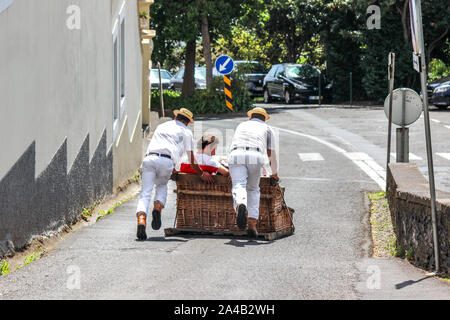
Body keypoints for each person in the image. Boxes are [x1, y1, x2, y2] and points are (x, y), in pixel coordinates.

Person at [136, 108, 214, 240]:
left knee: (145, 192)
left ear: (176, 117)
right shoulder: (186, 132)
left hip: (150, 158)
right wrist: (201, 173)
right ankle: (157, 208)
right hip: (167, 162)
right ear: (188, 122)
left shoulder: (162, 126)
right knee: (161, 186)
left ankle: (141, 220)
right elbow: (191, 158)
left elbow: (159, 144)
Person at [228, 107, 279, 238]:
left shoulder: (241, 125)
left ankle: (240, 203)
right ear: (264, 119)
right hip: (255, 155)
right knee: (253, 189)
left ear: (251, 117)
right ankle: (252, 224)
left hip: (236, 153)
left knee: (238, 185)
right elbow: (270, 153)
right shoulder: (267, 129)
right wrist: (274, 173)